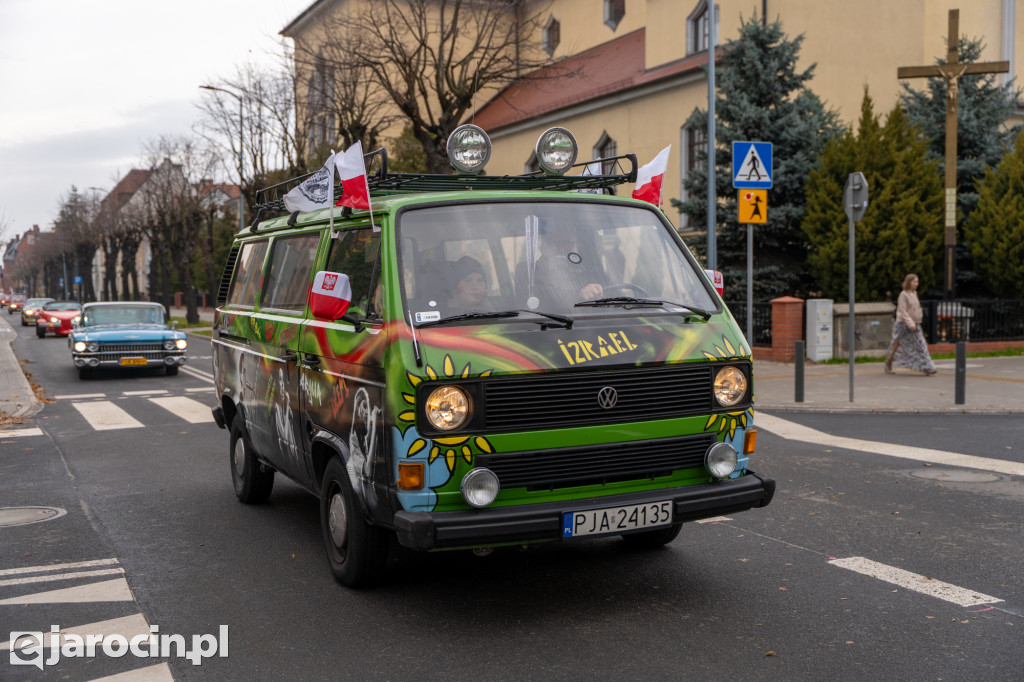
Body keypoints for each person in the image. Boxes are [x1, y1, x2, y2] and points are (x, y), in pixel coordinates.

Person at [515, 225, 606, 311]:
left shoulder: (591, 272)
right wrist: (578, 296)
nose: (562, 249)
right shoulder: (529, 271)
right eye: (556, 244)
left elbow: (614, 296)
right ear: (543, 248)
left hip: (591, 323)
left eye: (567, 243)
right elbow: (529, 303)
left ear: (577, 246)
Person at [885, 273, 936, 375]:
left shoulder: (914, 294)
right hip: (904, 324)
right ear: (909, 282)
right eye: (914, 282)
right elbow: (903, 311)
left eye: (917, 282)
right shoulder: (903, 294)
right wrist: (910, 323)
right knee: (896, 344)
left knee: (921, 344)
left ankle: (927, 366)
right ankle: (888, 362)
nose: (917, 284)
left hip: (915, 324)